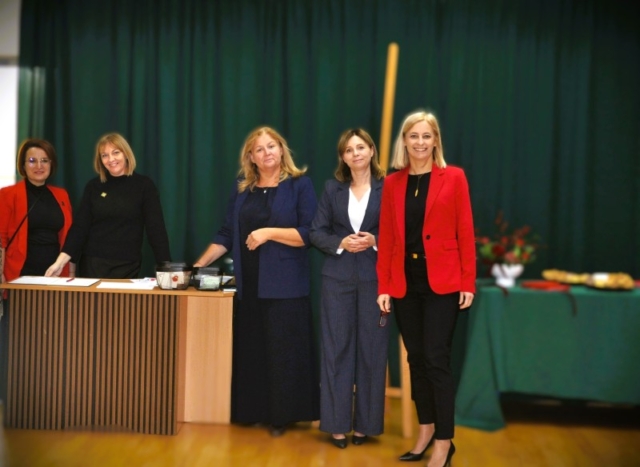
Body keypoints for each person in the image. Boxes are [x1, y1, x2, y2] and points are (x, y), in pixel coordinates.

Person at [193, 126, 319, 436]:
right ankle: (253, 411)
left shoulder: (299, 185)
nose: (267, 153)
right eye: (259, 149)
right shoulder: (242, 188)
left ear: (282, 149)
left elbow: (310, 233)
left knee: (282, 352)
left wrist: (268, 233)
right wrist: (198, 265)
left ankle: (281, 417)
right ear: (251, 157)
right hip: (248, 284)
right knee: (253, 350)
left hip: (286, 286)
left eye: (271, 146)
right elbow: (227, 233)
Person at [376, 111, 475, 467]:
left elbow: (465, 230)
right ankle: (426, 430)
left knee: (435, 359)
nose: (420, 142)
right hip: (406, 281)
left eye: (426, 136)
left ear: (435, 141)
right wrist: (384, 285)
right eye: (413, 136)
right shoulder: (393, 183)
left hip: (443, 281)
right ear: (404, 141)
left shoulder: (454, 177)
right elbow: (388, 237)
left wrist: (467, 280)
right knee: (415, 360)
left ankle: (444, 443)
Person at [309, 128, 387, 449]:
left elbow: (400, 232)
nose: (355, 154)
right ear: (343, 157)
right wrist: (340, 242)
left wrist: (375, 240)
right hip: (336, 279)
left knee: (372, 351)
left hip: (376, 280)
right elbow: (316, 232)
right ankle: (337, 424)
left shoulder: (388, 187)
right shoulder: (332, 189)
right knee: (336, 350)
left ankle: (366, 425)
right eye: (349, 150)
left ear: (371, 150)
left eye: (360, 147)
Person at [45, 133, 170, 278]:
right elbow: (79, 228)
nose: (111, 159)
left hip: (128, 265)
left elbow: (156, 230)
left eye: (116, 152)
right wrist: (59, 263)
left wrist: (166, 267)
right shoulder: (93, 186)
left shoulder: (144, 186)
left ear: (126, 154)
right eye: (104, 155)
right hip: (92, 264)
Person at [0, 138, 74, 285]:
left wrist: (72, 274)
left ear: (51, 164)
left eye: (44, 160)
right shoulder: (7, 195)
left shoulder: (62, 195)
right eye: (32, 160)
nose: (39, 166)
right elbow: (1, 239)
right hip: (19, 276)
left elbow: (70, 239)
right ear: (23, 165)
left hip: (56, 276)